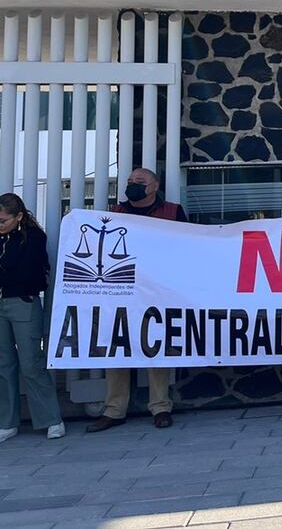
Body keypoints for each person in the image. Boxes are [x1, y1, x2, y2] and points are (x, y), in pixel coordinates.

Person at [87, 168, 186, 433]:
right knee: (117, 348)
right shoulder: (113, 214)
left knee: (156, 347)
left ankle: (161, 407)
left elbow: (186, 248)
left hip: (157, 292)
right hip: (121, 293)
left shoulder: (173, 212)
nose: (132, 185)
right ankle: (114, 410)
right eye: (130, 182)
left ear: (154, 186)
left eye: (139, 182)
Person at [0, 193, 65, 444]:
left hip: (23, 303)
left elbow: (29, 274)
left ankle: (51, 419)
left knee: (31, 363)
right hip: (6, 300)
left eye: (4, 221)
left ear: (19, 217)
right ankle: (7, 421)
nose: (0, 225)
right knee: (4, 365)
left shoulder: (34, 237)